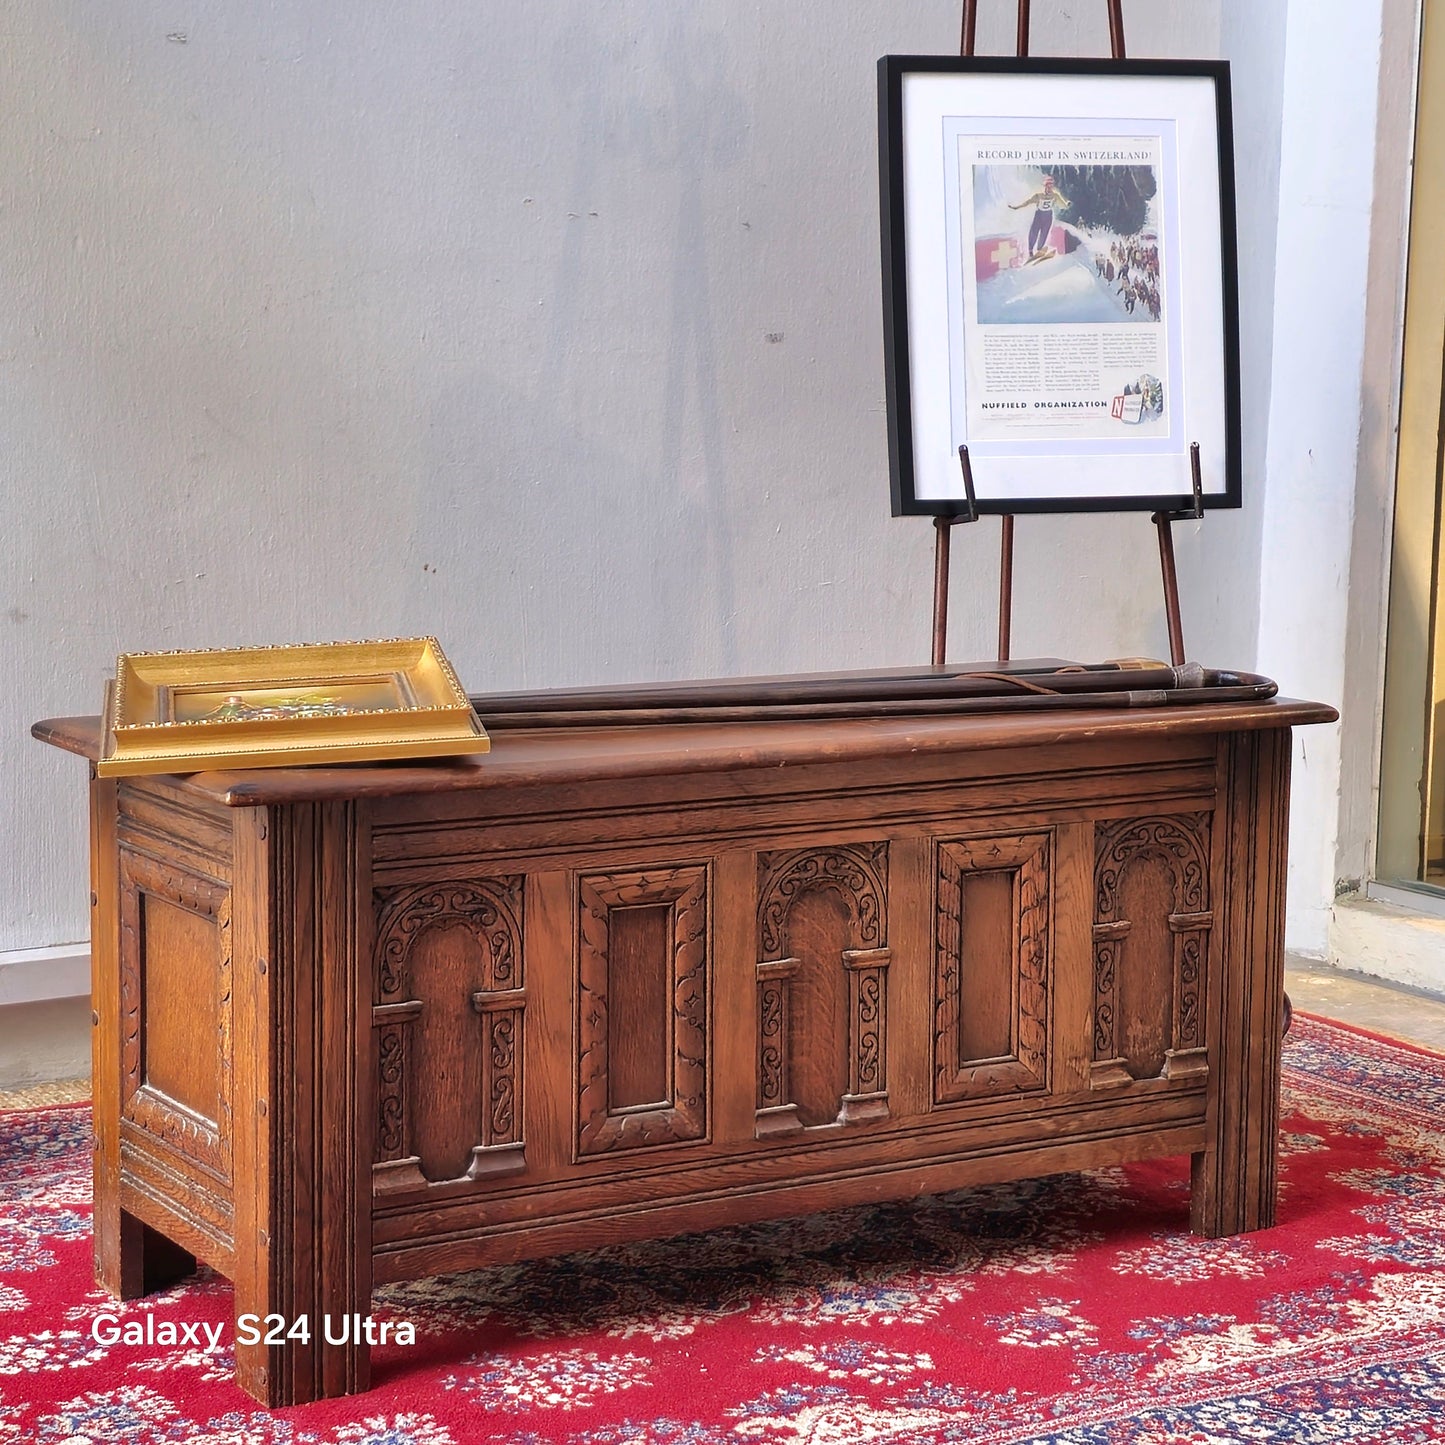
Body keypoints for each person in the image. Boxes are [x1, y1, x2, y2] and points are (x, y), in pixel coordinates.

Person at [1008, 175, 1070, 257]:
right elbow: (1027, 202)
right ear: (1045, 186)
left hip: (1048, 216)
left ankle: (1040, 248)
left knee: (1044, 233)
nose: (1050, 189)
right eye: (1048, 186)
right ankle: (1030, 249)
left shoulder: (1055, 195)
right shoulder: (1039, 195)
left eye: (1051, 186)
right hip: (1039, 215)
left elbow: (1062, 204)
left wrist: (1067, 205)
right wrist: (1017, 207)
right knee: (1034, 231)